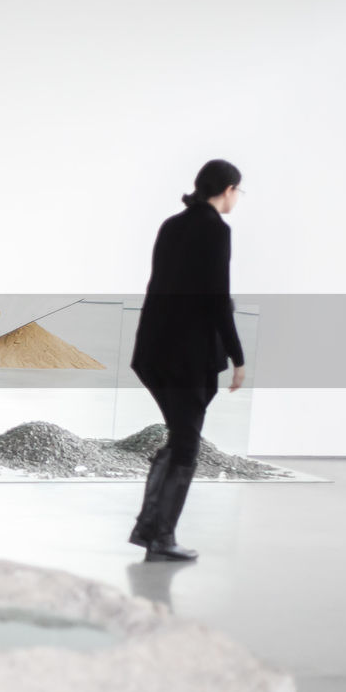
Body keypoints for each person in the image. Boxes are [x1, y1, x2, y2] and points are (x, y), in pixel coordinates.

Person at [128, 159, 247, 561]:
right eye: (238, 192)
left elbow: (157, 286)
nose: (237, 199)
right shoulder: (216, 231)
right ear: (228, 189)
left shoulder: (171, 226)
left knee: (180, 437)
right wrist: (238, 355)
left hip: (153, 352)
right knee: (185, 445)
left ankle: (151, 530)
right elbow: (217, 298)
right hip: (187, 357)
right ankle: (160, 537)